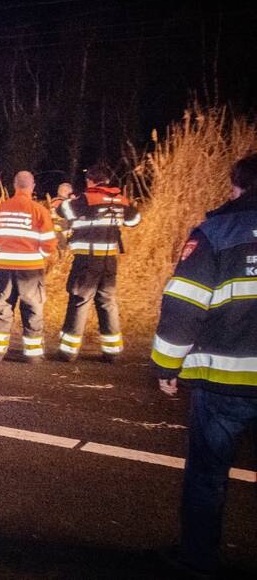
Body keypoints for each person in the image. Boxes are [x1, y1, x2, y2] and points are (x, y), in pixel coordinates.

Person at [151, 153, 257, 576]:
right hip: (223, 384)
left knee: (207, 478)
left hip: (224, 383)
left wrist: (166, 367)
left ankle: (197, 560)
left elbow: (184, 306)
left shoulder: (216, 233)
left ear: (238, 187)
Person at [56, 164, 141, 363]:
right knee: (107, 302)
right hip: (110, 261)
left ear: (90, 180)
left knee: (80, 300)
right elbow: (134, 220)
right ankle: (112, 351)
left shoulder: (88, 198)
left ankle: (68, 351)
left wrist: (67, 197)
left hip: (87, 260)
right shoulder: (120, 199)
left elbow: (63, 211)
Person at [0, 170, 57, 363]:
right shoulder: (39, 210)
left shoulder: (2, 208)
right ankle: (32, 354)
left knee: (2, 305)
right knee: (32, 308)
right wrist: (40, 256)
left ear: (15, 186)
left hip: (6, 266)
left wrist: (2, 249)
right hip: (31, 268)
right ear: (32, 187)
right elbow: (49, 242)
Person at [50, 182, 75, 252]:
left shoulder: (54, 201)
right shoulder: (61, 202)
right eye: (69, 193)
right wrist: (73, 201)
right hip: (61, 232)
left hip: (56, 232)